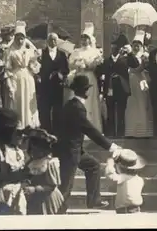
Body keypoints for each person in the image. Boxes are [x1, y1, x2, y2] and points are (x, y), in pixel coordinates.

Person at [56, 75, 123, 212]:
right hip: (70, 150)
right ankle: (57, 210)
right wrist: (110, 146)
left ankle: (94, 200)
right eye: (87, 89)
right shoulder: (77, 107)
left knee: (93, 166)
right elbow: (89, 129)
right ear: (85, 91)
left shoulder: (70, 105)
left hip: (75, 149)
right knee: (66, 184)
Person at [65, 22, 104, 132]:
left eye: (86, 38)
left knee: (89, 101)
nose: (83, 41)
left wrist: (87, 64)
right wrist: (77, 63)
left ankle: (91, 127)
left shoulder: (95, 52)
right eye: (82, 38)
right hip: (79, 76)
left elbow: (94, 66)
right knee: (78, 101)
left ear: (90, 39)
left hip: (89, 77)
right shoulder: (76, 51)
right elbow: (70, 64)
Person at [3, 21, 41, 130]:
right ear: (14, 38)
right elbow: (7, 69)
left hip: (27, 78)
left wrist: (35, 60)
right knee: (16, 100)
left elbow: (34, 67)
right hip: (15, 77)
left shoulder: (28, 50)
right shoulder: (9, 51)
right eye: (18, 38)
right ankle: (17, 125)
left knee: (27, 101)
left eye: (22, 38)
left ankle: (28, 125)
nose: (20, 41)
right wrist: (9, 83)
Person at [99, 33, 138, 137]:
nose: (113, 48)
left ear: (119, 48)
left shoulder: (125, 59)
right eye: (112, 46)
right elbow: (100, 72)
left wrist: (130, 53)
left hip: (121, 88)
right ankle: (110, 133)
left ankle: (120, 133)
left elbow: (135, 64)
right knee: (110, 112)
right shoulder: (106, 60)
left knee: (121, 111)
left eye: (115, 46)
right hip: (110, 88)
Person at [22, 128, 64, 215]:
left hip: (48, 198)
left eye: (37, 148)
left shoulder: (50, 163)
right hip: (34, 199)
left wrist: (35, 189)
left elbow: (52, 186)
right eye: (32, 149)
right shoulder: (30, 163)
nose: (34, 151)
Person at [38, 33, 69, 135]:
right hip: (45, 85)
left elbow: (66, 69)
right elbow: (38, 69)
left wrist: (59, 73)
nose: (53, 42)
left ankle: (57, 131)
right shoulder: (42, 53)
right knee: (45, 109)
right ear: (47, 41)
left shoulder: (62, 54)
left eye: (55, 40)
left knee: (58, 109)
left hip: (57, 85)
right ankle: (46, 130)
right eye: (51, 40)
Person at [124, 30, 153, 138]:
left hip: (142, 80)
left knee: (143, 103)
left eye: (138, 45)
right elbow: (134, 69)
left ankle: (143, 130)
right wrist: (141, 67)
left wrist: (145, 65)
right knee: (134, 102)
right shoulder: (130, 56)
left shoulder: (145, 55)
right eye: (134, 45)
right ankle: (132, 130)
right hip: (133, 79)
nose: (136, 48)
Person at [105, 149, 145, 214]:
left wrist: (110, 164)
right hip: (137, 209)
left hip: (125, 210)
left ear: (119, 168)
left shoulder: (122, 177)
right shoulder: (140, 179)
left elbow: (110, 175)